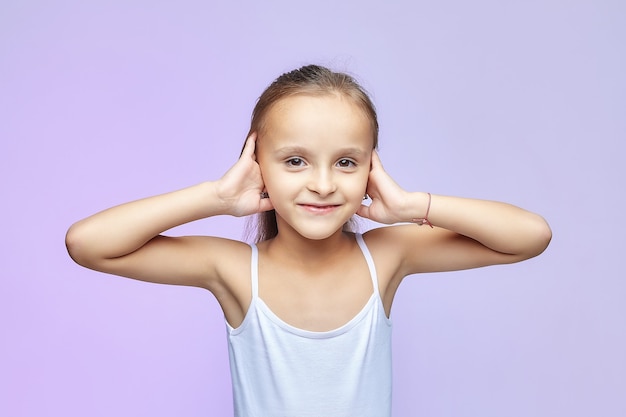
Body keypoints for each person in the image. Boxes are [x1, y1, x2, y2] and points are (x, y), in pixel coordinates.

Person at [65, 64, 552, 417]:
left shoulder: (385, 256)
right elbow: (88, 243)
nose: (322, 183)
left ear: (370, 169)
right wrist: (216, 197)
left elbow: (530, 236)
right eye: (295, 161)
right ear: (257, 165)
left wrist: (412, 207)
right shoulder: (236, 270)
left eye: (346, 162)